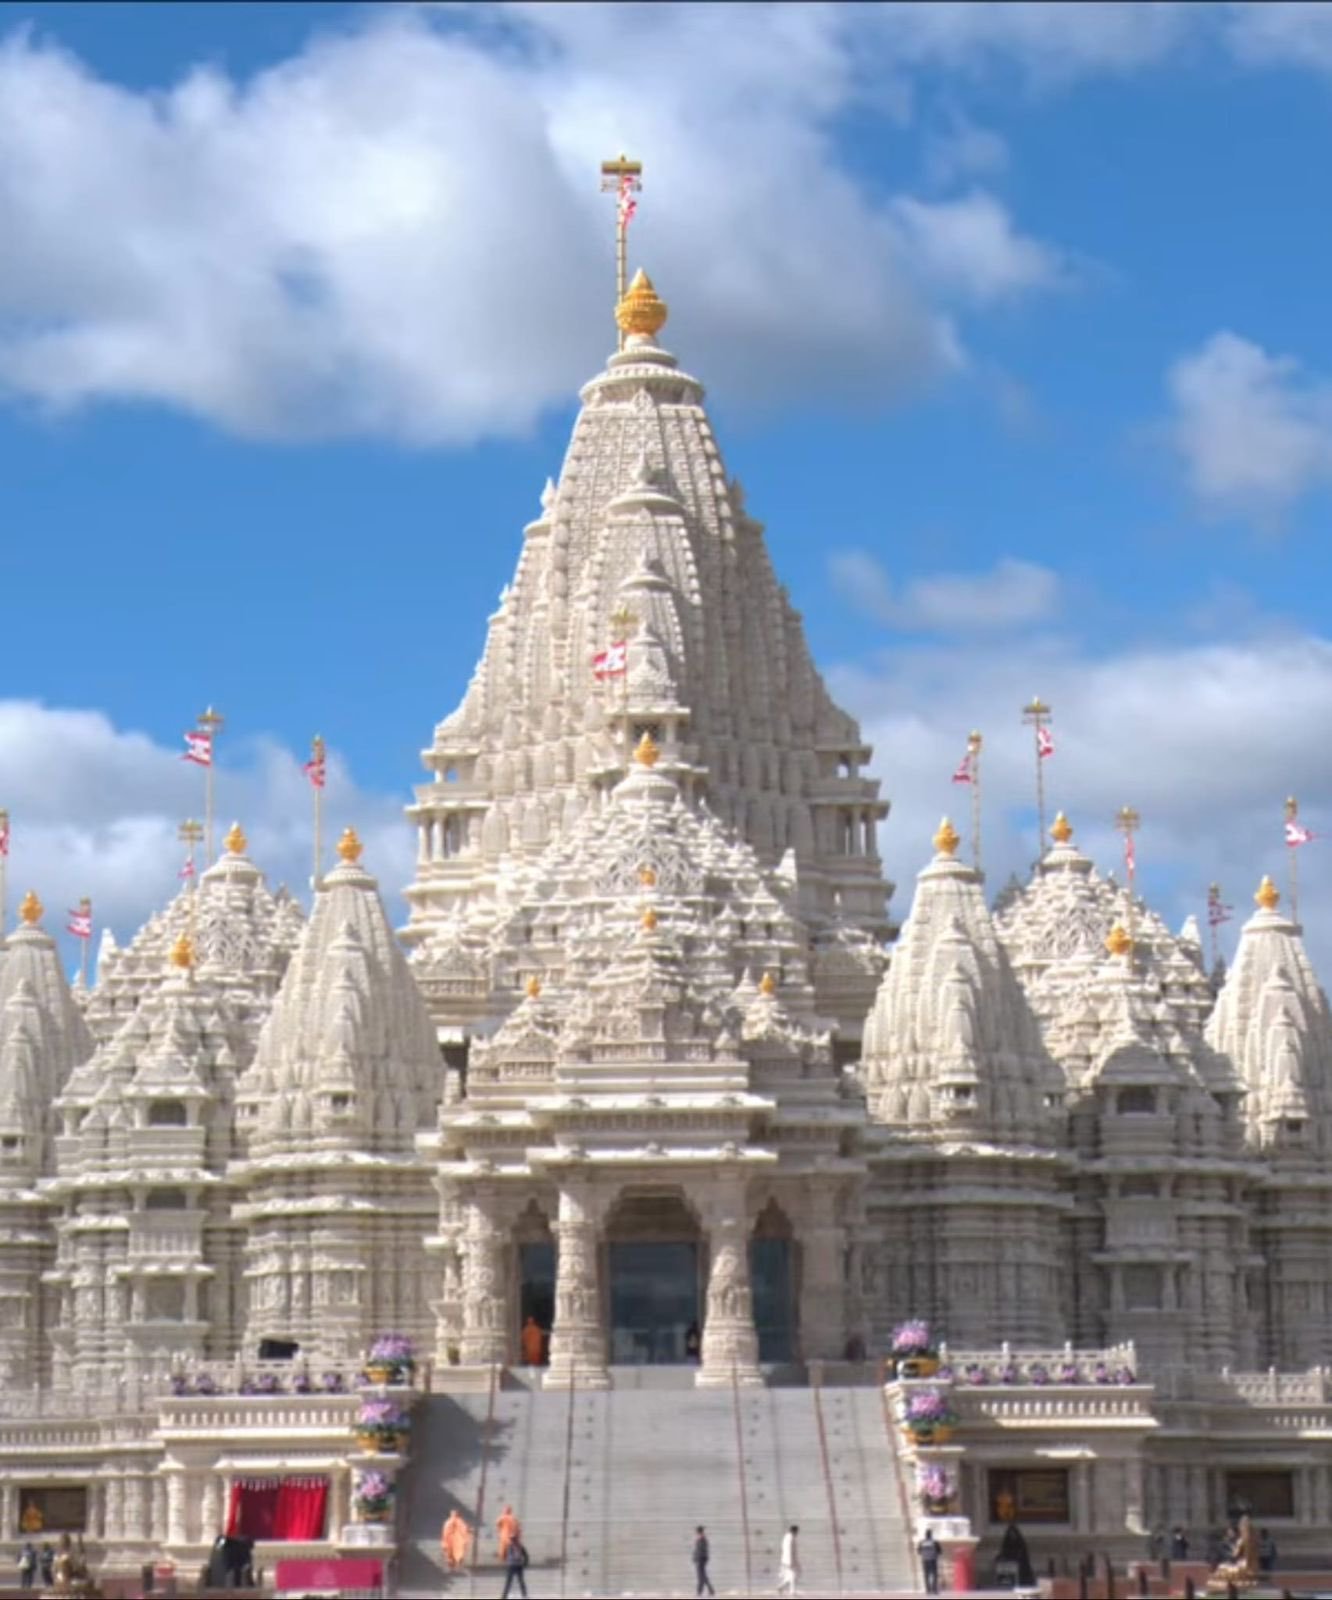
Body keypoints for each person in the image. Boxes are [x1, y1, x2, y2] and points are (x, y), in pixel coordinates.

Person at [501, 1534, 530, 1599]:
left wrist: (525, 1563)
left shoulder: (514, 1546)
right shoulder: (516, 1546)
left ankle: (523, 1595)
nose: (513, 1540)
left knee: (514, 1581)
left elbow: (525, 1555)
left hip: (514, 1566)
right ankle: (523, 1595)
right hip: (515, 1566)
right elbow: (526, 1556)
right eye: (512, 1539)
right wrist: (525, 1563)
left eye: (513, 1539)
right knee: (515, 1581)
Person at [777, 1524, 800, 1596]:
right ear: (794, 1531)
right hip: (789, 1560)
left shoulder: (787, 1537)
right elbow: (788, 1550)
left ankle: (781, 1586)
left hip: (788, 1559)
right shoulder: (790, 1538)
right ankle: (792, 1591)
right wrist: (790, 1561)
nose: (797, 1533)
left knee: (793, 1575)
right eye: (797, 1531)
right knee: (793, 1575)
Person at [918, 1527, 941, 1596]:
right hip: (933, 1560)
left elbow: (919, 1551)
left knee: (926, 1575)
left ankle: (928, 1590)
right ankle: (934, 1589)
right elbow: (939, 1551)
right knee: (934, 1575)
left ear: (925, 1535)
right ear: (931, 1535)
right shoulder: (934, 1542)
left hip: (925, 1560)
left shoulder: (922, 1542)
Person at [693, 1525, 715, 1597]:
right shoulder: (700, 1539)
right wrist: (694, 1558)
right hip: (700, 1559)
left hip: (701, 1559)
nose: (696, 1533)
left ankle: (700, 1591)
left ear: (699, 1532)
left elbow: (701, 1550)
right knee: (702, 1576)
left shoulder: (702, 1539)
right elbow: (697, 1550)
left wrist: (698, 1558)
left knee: (701, 1576)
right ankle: (709, 1590)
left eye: (697, 1532)